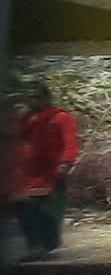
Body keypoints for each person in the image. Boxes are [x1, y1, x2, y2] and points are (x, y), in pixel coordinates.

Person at [8, 83, 77, 261]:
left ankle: (46, 245)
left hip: (51, 172)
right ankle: (33, 245)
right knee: (24, 208)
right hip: (29, 174)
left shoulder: (60, 118)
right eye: (29, 98)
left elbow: (69, 142)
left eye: (36, 97)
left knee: (48, 211)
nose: (32, 101)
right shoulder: (28, 121)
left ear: (46, 98)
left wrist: (65, 163)